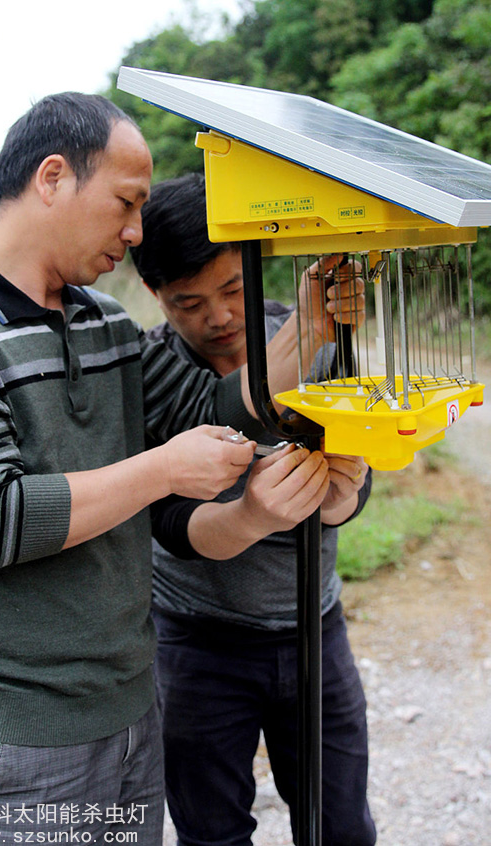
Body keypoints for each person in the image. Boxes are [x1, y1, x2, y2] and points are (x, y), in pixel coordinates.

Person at [0, 94, 340, 846]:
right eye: (126, 204)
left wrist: (311, 323)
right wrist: (165, 469)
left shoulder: (106, 324)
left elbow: (211, 403)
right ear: (54, 177)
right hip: (21, 741)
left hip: (135, 715)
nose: (136, 233)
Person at [130, 173, 377, 846]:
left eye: (233, 290)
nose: (218, 317)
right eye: (189, 302)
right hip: (195, 643)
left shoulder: (323, 345)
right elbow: (168, 524)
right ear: (154, 295)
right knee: (211, 831)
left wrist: (339, 498)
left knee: (341, 828)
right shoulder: (150, 372)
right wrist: (250, 517)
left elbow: (358, 481)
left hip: (314, 628)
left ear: (254, 264)